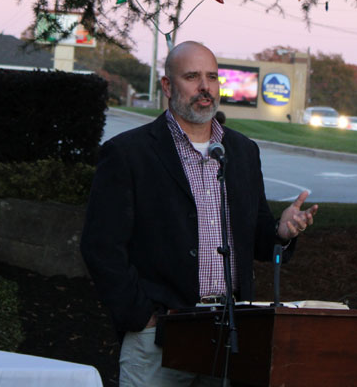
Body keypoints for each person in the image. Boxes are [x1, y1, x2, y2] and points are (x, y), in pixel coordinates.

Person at [81, 41, 318, 386]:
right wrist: (141, 316)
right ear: (167, 86)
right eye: (192, 77)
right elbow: (101, 246)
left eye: (212, 77)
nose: (205, 87)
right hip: (159, 333)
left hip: (229, 331)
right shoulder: (128, 153)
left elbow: (257, 236)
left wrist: (282, 232)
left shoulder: (242, 151)